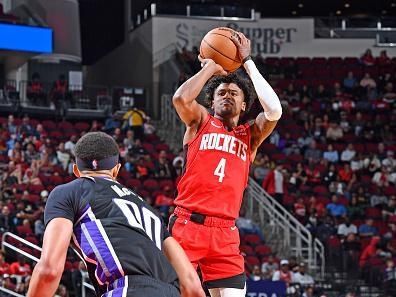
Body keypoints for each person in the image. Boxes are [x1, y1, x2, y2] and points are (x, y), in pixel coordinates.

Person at [171, 31, 282, 297]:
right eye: (221, 92)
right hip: (188, 226)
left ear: (244, 105)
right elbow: (180, 99)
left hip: (225, 234)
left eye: (234, 93)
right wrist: (209, 68)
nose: (227, 95)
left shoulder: (250, 136)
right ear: (211, 101)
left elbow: (274, 110)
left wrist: (247, 63)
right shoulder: (200, 121)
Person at [27, 132, 204, 297]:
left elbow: (49, 271)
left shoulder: (68, 192)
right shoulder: (150, 211)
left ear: (76, 171)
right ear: (116, 170)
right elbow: (192, 286)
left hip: (127, 289)